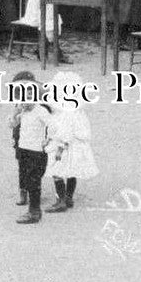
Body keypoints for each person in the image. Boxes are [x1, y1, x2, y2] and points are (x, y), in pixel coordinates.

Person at [44, 71, 99, 213]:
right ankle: (69, 197)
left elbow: (64, 132)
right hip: (77, 146)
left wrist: (59, 145)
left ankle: (60, 200)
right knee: (72, 171)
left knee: (56, 170)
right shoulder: (79, 112)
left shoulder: (64, 113)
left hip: (63, 146)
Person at [9, 76, 51, 225]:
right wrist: (15, 114)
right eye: (24, 96)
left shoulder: (41, 111)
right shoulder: (23, 111)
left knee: (34, 182)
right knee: (27, 179)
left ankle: (34, 212)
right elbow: (12, 125)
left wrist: (48, 139)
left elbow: (53, 126)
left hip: (36, 152)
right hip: (24, 149)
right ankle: (33, 210)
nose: (25, 100)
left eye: (29, 96)